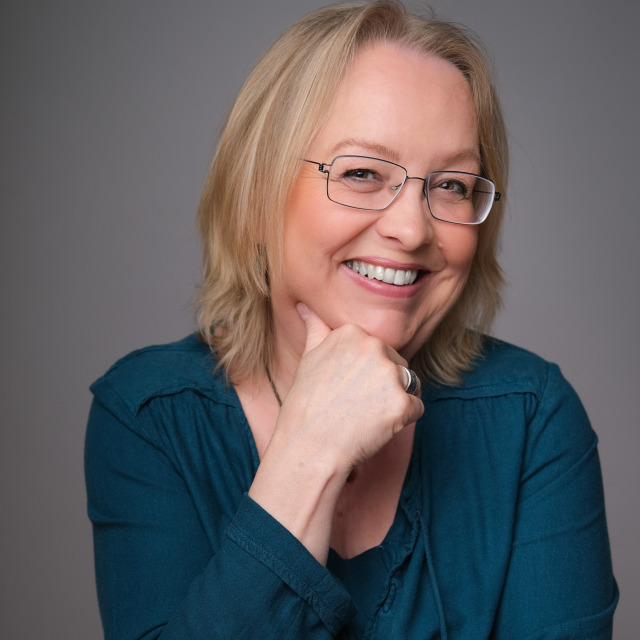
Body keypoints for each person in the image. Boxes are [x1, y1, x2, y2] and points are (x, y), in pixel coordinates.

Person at [84, 1, 618, 638]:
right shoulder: (150, 415)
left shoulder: (530, 416)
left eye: (452, 185)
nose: (412, 229)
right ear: (257, 196)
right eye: (362, 173)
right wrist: (311, 452)